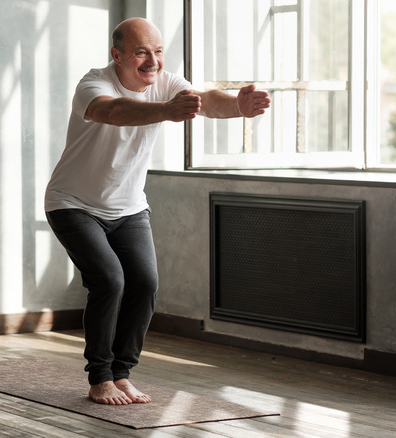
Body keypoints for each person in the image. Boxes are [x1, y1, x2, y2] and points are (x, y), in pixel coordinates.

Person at [44, 17, 271, 405]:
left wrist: (236, 105)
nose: (153, 61)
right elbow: (113, 111)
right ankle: (99, 377)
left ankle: (121, 373)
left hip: (129, 207)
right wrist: (166, 110)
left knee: (145, 284)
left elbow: (203, 100)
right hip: (73, 204)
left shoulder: (166, 83)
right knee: (109, 280)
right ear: (116, 55)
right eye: (141, 52)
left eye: (158, 51)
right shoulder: (93, 84)